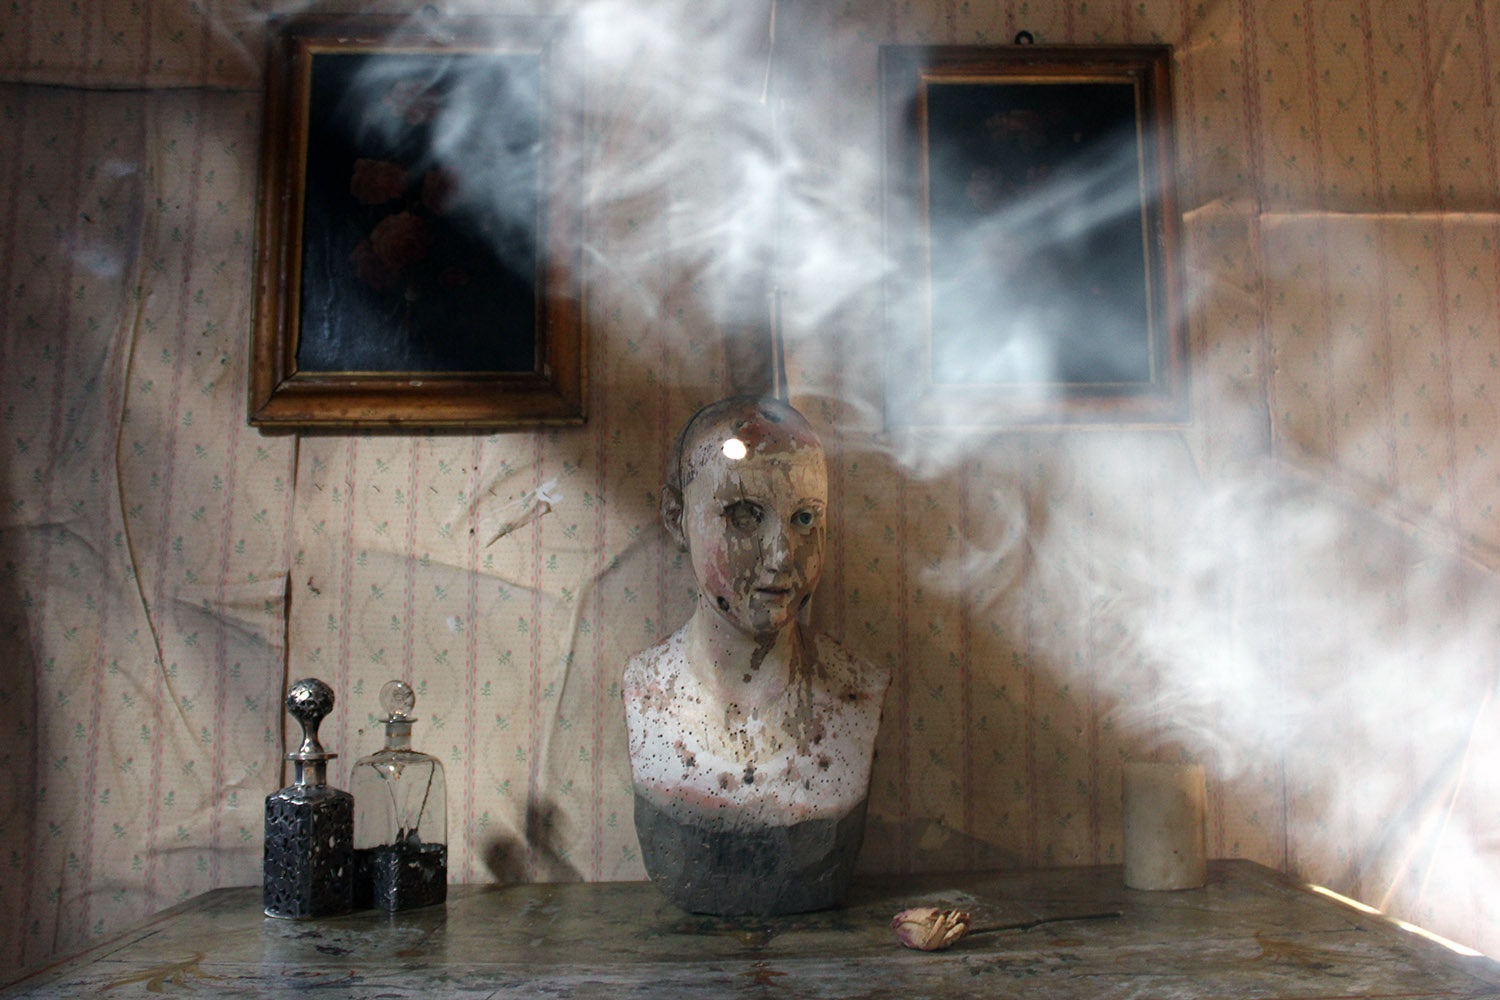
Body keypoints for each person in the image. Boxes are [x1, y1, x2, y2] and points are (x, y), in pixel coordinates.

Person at [623, 395, 890, 915]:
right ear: (676, 518)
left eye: (805, 518)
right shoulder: (647, 692)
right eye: (744, 516)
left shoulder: (857, 691)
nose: (782, 554)